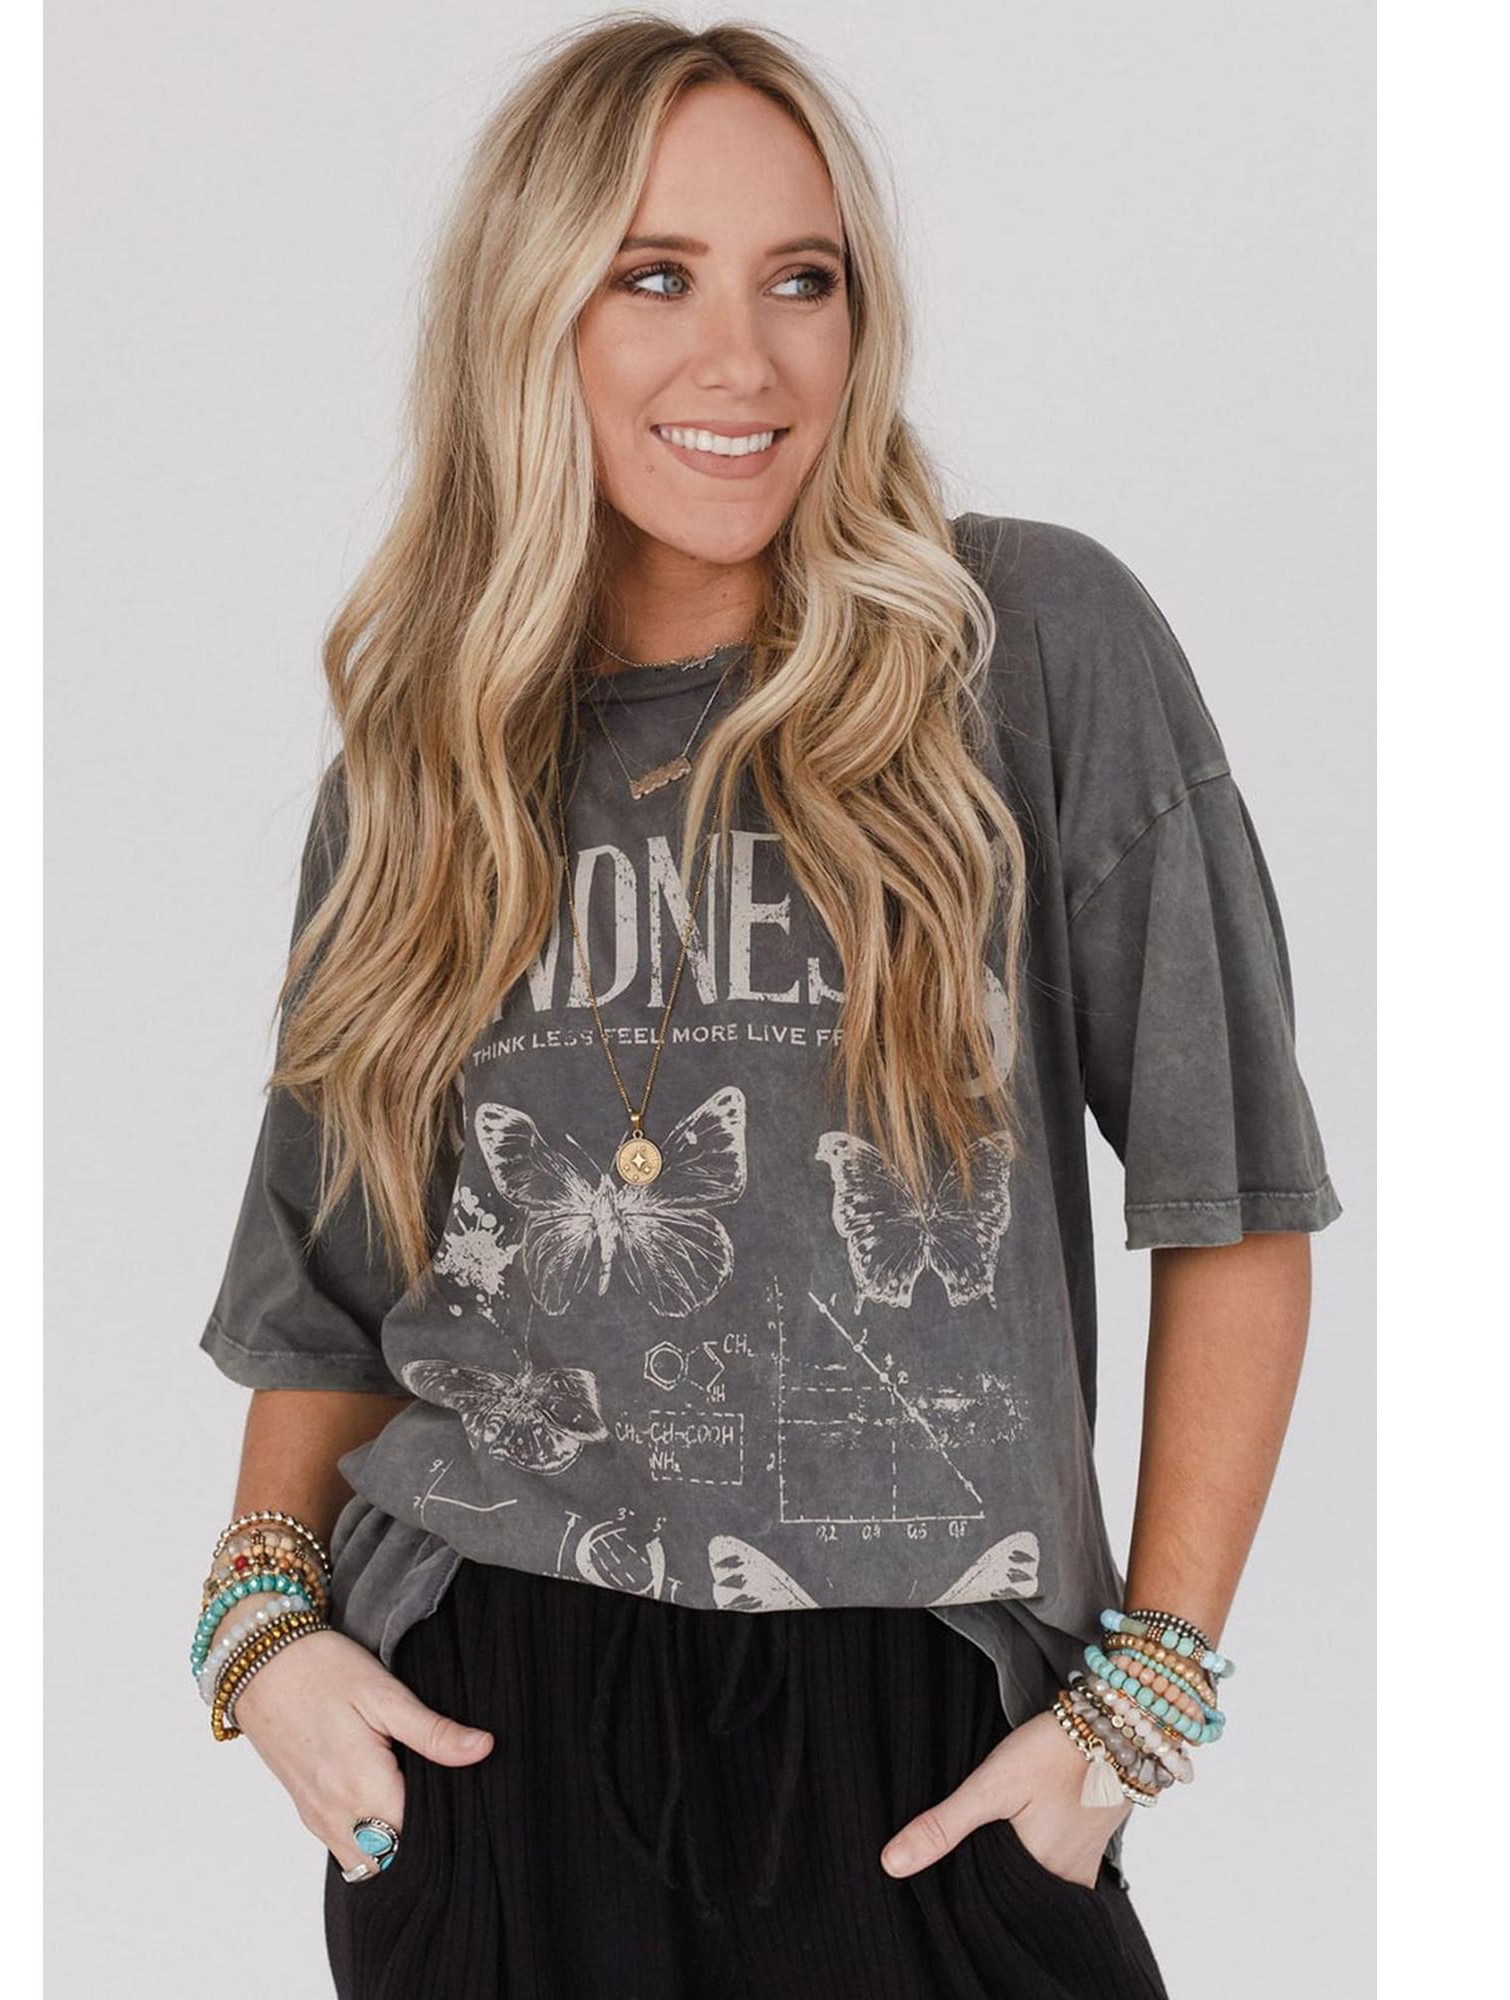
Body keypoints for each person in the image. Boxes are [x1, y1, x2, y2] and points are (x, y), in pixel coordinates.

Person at [192, 15, 1342, 1998]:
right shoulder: (427, 762)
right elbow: (332, 1282)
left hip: (933, 1729)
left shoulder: (1027, 651)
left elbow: (1228, 1198)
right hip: (487, 1720)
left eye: (800, 280)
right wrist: (263, 1632)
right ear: (531, 313)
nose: (743, 359)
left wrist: (1139, 1697)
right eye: (655, 277)